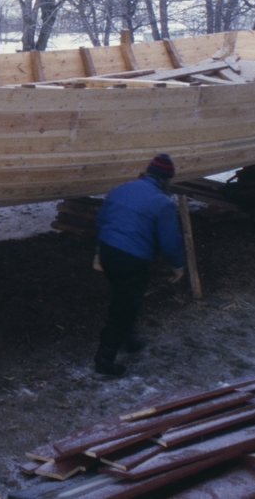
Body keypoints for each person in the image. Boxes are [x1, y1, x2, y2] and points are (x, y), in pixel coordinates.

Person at [93, 152, 186, 377]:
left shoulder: (121, 189)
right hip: (131, 259)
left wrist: (99, 251)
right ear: (164, 180)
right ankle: (104, 362)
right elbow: (170, 240)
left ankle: (130, 340)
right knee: (122, 308)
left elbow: (102, 219)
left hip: (108, 252)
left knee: (126, 299)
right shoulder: (162, 203)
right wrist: (178, 265)